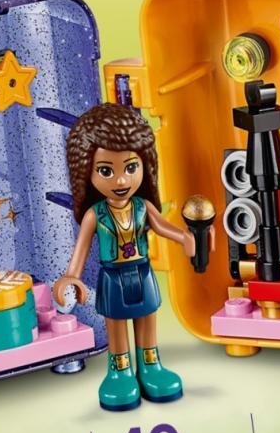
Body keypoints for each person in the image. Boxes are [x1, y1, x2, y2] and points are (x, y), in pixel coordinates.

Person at [54, 103, 197, 410]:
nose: (121, 181)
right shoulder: (95, 214)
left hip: (142, 271)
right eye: (106, 171)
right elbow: (81, 249)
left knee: (147, 318)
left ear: (145, 164)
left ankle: (150, 365)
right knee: (116, 324)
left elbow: (163, 227)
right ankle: (119, 370)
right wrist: (71, 277)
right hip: (113, 276)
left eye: (130, 168)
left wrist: (186, 237)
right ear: (87, 171)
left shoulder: (143, 207)